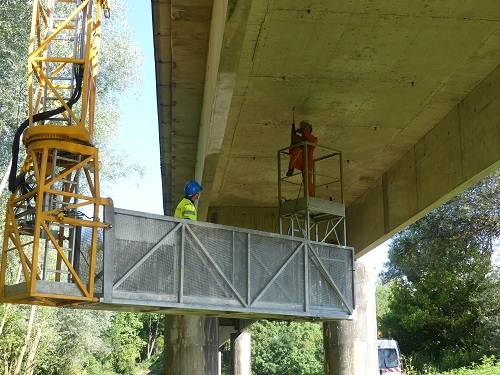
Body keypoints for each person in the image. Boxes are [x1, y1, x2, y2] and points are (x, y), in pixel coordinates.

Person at [286, 120, 318, 196]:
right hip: (298, 161)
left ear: (309, 129)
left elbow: (314, 140)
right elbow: (291, 150)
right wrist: (294, 135)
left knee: (307, 181)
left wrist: (304, 133)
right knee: (297, 149)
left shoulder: (312, 139)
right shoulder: (299, 139)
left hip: (308, 162)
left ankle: (309, 197)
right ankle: (291, 168)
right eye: (302, 127)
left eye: (305, 127)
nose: (303, 128)